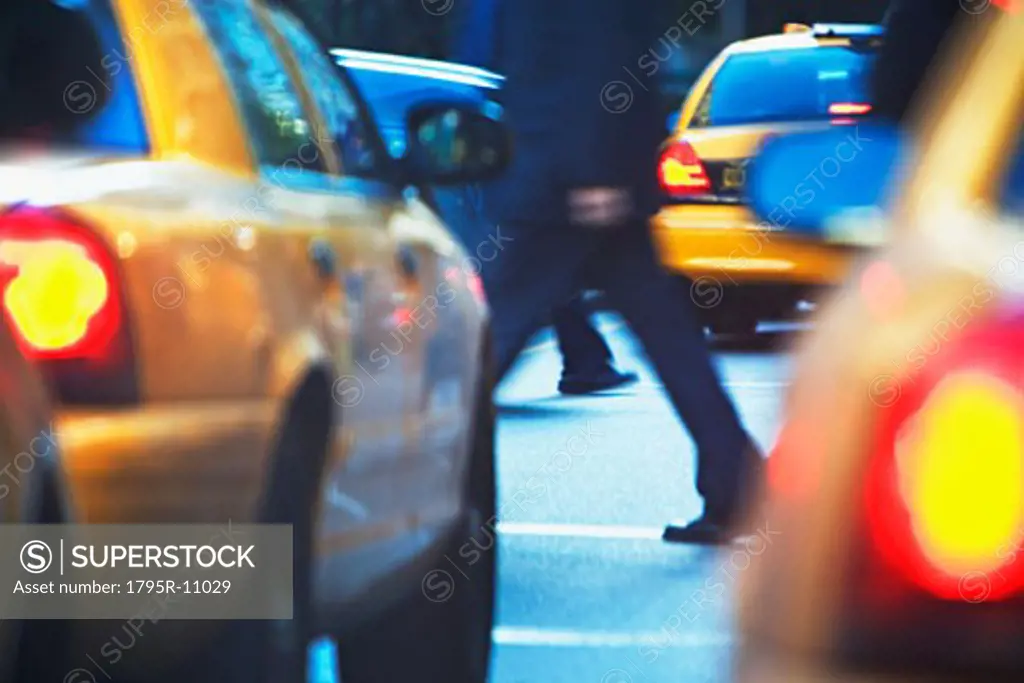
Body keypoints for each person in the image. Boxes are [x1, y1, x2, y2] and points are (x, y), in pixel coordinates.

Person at [459, 0, 763, 544]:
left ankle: (401, 493)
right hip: (581, 180)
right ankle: (738, 484)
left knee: (485, 342)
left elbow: (591, 56)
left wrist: (591, 171)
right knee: (670, 342)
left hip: (564, 188)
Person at [450, 0, 639, 397]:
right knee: (525, 288)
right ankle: (457, 409)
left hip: (524, 151)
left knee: (536, 277)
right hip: (541, 158)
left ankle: (587, 359)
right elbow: (571, 64)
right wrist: (593, 169)